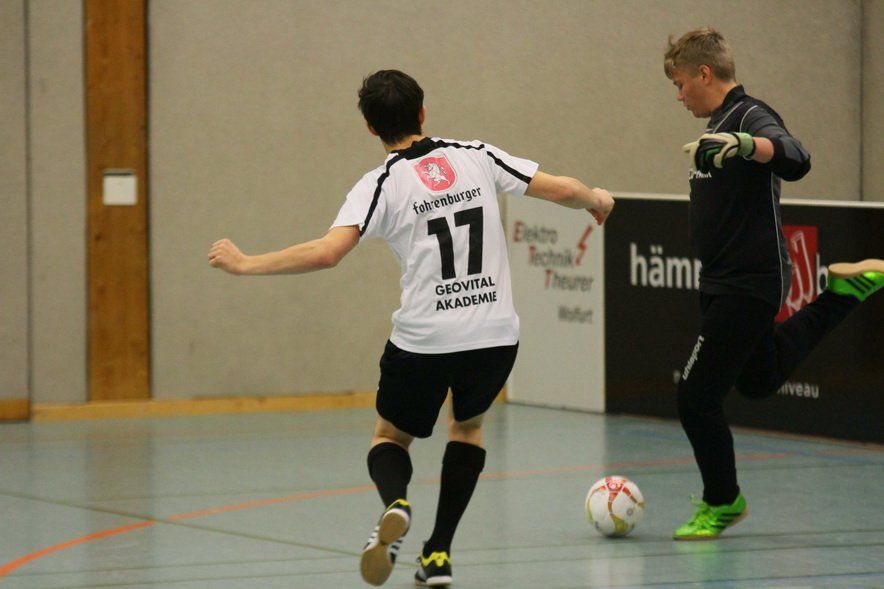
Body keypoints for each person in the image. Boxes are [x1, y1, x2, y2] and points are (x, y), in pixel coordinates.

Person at [208, 69, 615, 585]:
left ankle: (396, 503)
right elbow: (565, 190)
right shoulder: (476, 155)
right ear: (423, 111)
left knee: (390, 437)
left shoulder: (380, 184)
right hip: (493, 334)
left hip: (425, 339)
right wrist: (597, 200)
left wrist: (247, 263)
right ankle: (438, 553)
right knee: (467, 429)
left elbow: (328, 253)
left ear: (369, 127)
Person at [663, 27, 884, 541]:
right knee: (758, 380)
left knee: (695, 398)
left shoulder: (748, 115)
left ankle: (723, 501)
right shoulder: (717, 124)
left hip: (751, 279)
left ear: (704, 73)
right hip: (722, 280)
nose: (678, 96)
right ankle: (843, 294)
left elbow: (796, 156)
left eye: (680, 84)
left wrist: (746, 145)